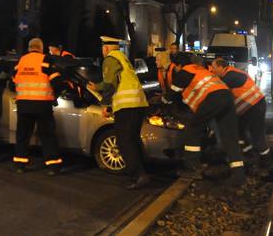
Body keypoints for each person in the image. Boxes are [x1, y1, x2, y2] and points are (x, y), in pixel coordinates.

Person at [164, 52, 245, 186]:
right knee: (229, 137)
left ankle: (192, 167)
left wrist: (163, 101)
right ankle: (239, 175)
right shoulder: (201, 70)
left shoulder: (185, 71)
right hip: (227, 97)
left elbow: (172, 94)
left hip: (212, 98)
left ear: (179, 65)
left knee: (192, 129)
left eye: (175, 66)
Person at [89, 37, 150, 190]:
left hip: (126, 106)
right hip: (138, 104)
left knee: (124, 142)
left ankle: (138, 176)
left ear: (106, 48)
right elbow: (116, 81)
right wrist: (97, 86)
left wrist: (105, 104)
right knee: (132, 140)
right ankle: (140, 174)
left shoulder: (110, 59)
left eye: (103, 48)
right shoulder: (122, 58)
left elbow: (110, 84)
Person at [12, 37, 65, 175]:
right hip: (42, 104)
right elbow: (57, 81)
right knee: (47, 135)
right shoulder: (46, 60)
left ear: (30, 48)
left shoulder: (21, 61)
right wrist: (54, 96)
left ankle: (19, 164)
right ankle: (52, 166)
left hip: (23, 104)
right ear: (40, 48)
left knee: (22, 136)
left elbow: (13, 80)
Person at [209, 57, 271, 167]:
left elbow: (217, 92)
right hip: (248, 107)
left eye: (213, 67)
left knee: (257, 133)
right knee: (239, 130)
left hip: (255, 106)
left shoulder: (229, 76)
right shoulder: (230, 74)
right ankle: (248, 153)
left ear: (221, 67)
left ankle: (266, 160)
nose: (212, 70)